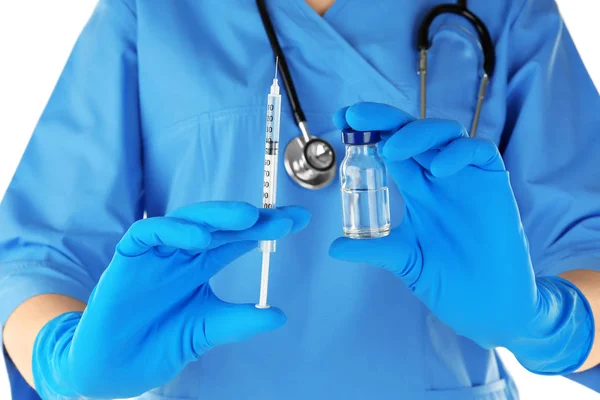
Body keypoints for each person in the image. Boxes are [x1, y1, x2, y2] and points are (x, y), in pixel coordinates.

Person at [1, 0, 599, 398]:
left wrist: (552, 322)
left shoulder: (505, 10)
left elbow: (588, 232)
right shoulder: (152, 10)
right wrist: (63, 360)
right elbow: (37, 254)